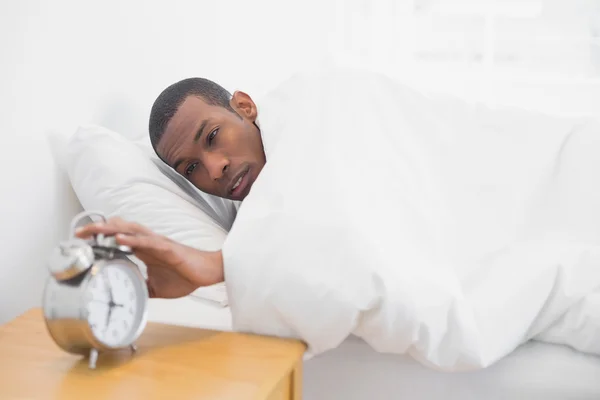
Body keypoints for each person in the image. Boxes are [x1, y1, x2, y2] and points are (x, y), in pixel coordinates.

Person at [75, 77, 267, 299]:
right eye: (192, 167)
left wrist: (215, 266)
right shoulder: (252, 221)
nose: (214, 170)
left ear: (245, 106)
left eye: (212, 136)